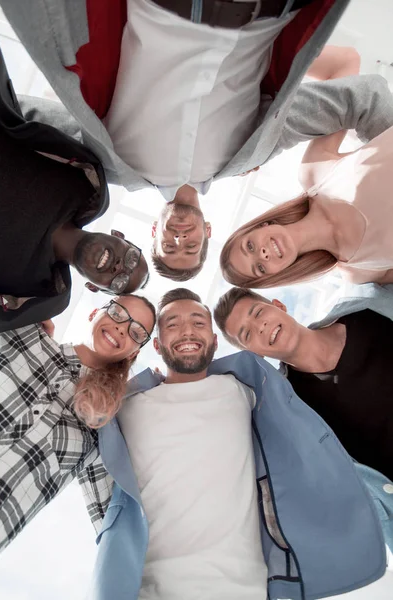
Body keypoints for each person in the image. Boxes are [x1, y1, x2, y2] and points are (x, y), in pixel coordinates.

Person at [0, 0, 393, 280]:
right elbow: (361, 99)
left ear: (155, 231)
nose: (181, 239)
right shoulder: (255, 152)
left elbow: (22, 115)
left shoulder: (109, 168)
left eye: (171, 246)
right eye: (191, 248)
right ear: (208, 231)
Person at [89, 288, 388, 600]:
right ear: (157, 344)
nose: (187, 330)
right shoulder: (126, 407)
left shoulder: (247, 393)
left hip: (248, 590)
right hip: (148, 591)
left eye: (199, 323)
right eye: (173, 325)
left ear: (216, 342)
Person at [0, 0, 149, 338]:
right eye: (131, 260)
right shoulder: (83, 184)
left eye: (120, 281)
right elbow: (29, 118)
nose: (121, 268)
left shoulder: (40, 290)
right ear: (121, 237)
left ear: (95, 289)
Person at [0, 294, 156, 600]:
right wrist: (24, 301)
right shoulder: (21, 333)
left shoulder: (102, 430)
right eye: (118, 313)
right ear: (94, 313)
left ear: (133, 353)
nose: (122, 328)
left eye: (137, 332)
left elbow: (116, 526)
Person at [214, 283, 393, 549]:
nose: (260, 327)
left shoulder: (367, 310)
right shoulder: (292, 411)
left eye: (258, 313)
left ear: (278, 305)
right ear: (253, 353)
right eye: (248, 333)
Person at [220, 118, 393, 289]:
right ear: (279, 274)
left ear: (260, 226)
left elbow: (349, 97)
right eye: (260, 268)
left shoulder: (313, 174)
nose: (262, 254)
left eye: (250, 246)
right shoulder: (357, 271)